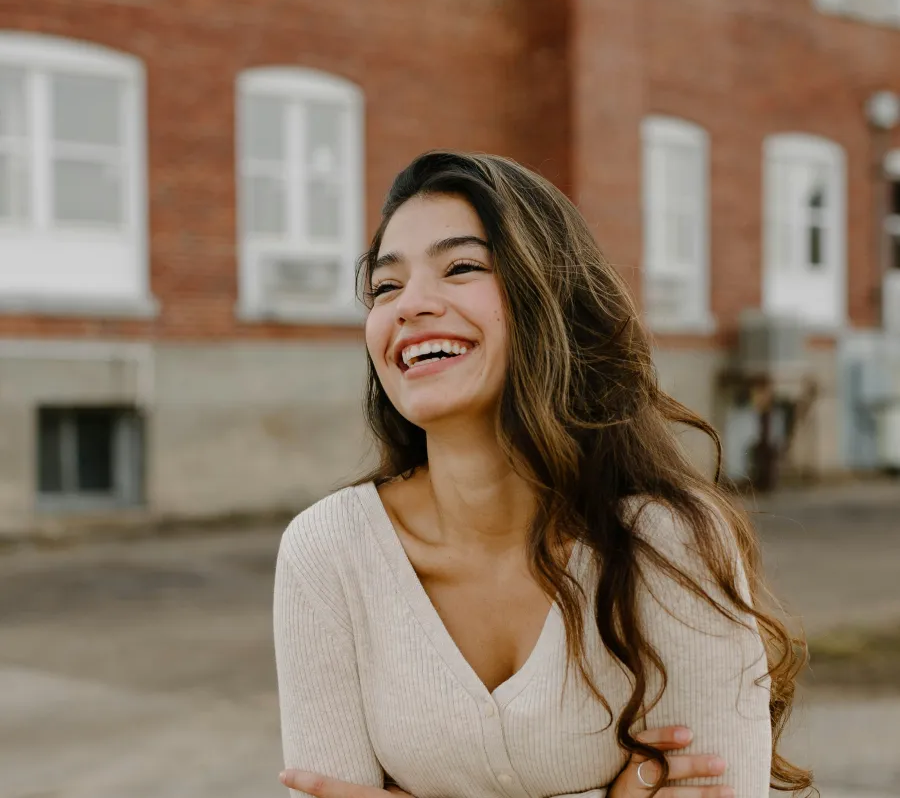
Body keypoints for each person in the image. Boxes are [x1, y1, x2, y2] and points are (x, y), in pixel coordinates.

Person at [273, 151, 811, 798]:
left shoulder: (671, 545)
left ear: (550, 300)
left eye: (462, 267)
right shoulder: (328, 553)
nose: (409, 305)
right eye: (386, 287)